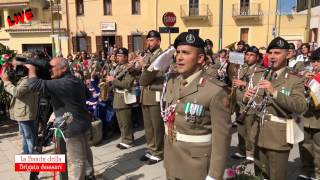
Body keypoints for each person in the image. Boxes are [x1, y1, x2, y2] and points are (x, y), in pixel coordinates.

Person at [162, 32, 231, 180]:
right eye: (178, 52)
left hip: (195, 166)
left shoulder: (215, 91)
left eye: (185, 53)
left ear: (200, 58)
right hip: (171, 158)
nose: (179, 57)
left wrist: (214, 175)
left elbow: (222, 139)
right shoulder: (173, 82)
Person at [243, 37, 307, 180]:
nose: (272, 56)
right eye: (270, 53)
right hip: (258, 133)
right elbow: (257, 102)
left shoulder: (294, 79)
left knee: (277, 176)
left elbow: (301, 106)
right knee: (260, 175)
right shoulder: (262, 75)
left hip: (278, 138)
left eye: (277, 53)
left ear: (288, 54)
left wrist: (275, 92)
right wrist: (246, 98)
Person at [25, 57, 95, 180]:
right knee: (85, 151)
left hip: (72, 126)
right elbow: (88, 94)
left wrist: (31, 68)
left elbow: (33, 84)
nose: (49, 70)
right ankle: (90, 175)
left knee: (78, 159)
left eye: (51, 67)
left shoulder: (63, 83)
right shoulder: (75, 79)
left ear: (63, 68)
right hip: (82, 122)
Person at [232, 46, 265, 160]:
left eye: (251, 55)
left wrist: (244, 84)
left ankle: (250, 152)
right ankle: (242, 151)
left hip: (250, 105)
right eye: (247, 54)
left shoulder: (260, 71)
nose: (248, 57)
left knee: (250, 131)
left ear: (257, 58)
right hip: (239, 102)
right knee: (240, 129)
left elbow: (258, 88)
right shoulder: (242, 68)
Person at [1, 57, 39, 154]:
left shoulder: (27, 80)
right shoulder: (23, 78)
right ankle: (25, 152)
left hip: (25, 112)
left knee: (28, 135)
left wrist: (6, 82)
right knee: (25, 134)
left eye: (15, 67)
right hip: (22, 111)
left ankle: (31, 155)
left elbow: (17, 92)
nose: (14, 69)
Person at [138, 30, 165, 164]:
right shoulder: (148, 55)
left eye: (152, 40)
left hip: (155, 94)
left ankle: (159, 152)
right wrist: (138, 65)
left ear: (158, 41)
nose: (149, 43)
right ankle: (151, 148)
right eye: (148, 40)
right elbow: (141, 75)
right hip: (145, 95)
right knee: (148, 126)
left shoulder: (163, 56)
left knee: (157, 126)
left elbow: (160, 73)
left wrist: (144, 65)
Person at [107, 48, 135, 149]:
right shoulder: (118, 67)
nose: (117, 58)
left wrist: (113, 80)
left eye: (120, 56)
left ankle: (129, 141)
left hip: (124, 97)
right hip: (117, 96)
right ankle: (124, 139)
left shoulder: (129, 68)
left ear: (126, 57)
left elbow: (127, 84)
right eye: (117, 56)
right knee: (121, 121)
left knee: (126, 121)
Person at [298, 47, 320, 180]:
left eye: (318, 61)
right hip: (305, 116)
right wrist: (303, 79)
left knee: (318, 148)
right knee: (305, 146)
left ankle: (318, 174)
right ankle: (306, 171)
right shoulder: (307, 74)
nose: (315, 64)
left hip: (318, 119)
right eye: (313, 61)